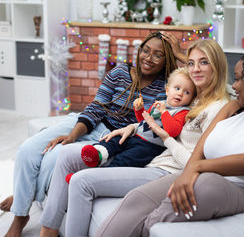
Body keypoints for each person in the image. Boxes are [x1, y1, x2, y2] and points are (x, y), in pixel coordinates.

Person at [94, 32, 244, 237]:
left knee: (201, 188)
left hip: (243, 190)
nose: (234, 85)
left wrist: (196, 169)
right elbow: (201, 146)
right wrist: (189, 172)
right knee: (136, 199)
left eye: (240, 78)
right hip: (201, 176)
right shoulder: (235, 107)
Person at [39, 37, 230, 237]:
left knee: (80, 182)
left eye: (204, 62)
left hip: (166, 170)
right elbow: (164, 117)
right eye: (191, 63)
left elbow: (197, 163)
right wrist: (132, 127)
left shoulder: (218, 108)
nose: (195, 69)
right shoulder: (195, 96)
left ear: (216, 65)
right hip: (152, 155)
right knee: (67, 154)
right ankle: (49, 229)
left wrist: (166, 138)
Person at [0, 31, 180, 237]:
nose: (148, 58)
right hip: (89, 122)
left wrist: (179, 54)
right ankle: (21, 210)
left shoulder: (166, 86)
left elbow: (195, 78)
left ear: (167, 60)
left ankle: (21, 208)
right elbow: (97, 107)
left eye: (158, 55)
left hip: (113, 139)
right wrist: (73, 136)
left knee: (53, 159)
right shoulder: (120, 72)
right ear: (139, 51)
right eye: (145, 51)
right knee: (27, 150)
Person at [75, 67, 196, 171]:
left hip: (150, 147)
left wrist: (164, 112)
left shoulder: (182, 112)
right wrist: (139, 109)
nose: (180, 94)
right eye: (177, 88)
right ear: (167, 90)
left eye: (187, 92)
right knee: (116, 139)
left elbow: (173, 131)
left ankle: (97, 174)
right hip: (136, 136)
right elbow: (143, 121)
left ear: (191, 98)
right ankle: (98, 154)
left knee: (126, 159)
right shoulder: (159, 103)